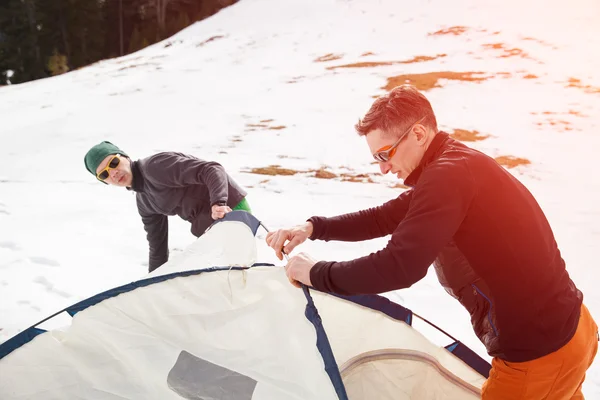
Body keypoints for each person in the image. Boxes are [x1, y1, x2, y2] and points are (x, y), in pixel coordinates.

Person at [266, 85, 598, 399]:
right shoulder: (453, 165)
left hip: (540, 354)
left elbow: (400, 267)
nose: (383, 169)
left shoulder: (447, 176)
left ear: (419, 134)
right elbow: (385, 217)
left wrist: (316, 273)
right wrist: (313, 227)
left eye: (385, 154)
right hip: (571, 331)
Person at [84, 141, 251, 272]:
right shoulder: (144, 202)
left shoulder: (155, 167)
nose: (113, 173)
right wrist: (150, 282)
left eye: (113, 163)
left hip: (230, 209)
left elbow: (212, 169)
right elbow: (158, 247)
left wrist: (218, 203)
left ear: (125, 157)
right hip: (209, 227)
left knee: (240, 268)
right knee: (227, 274)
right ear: (104, 181)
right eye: (104, 174)